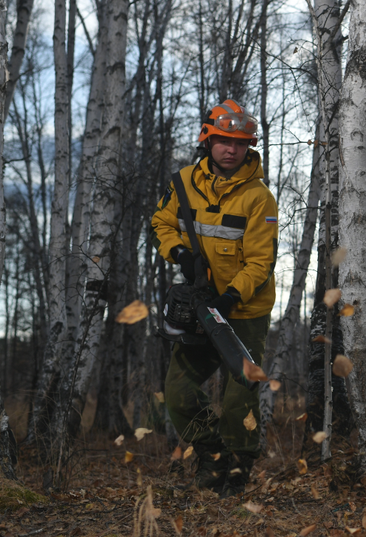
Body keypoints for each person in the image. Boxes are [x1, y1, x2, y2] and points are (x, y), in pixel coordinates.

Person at [151, 99, 278, 496]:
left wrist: (229, 300)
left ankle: (238, 471)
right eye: (224, 140)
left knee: (241, 395)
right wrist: (180, 253)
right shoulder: (183, 181)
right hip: (199, 306)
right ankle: (212, 453)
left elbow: (261, 262)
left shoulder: (260, 198)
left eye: (240, 143)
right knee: (179, 392)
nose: (231, 149)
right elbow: (161, 223)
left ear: (249, 147)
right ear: (208, 139)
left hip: (244, 311)